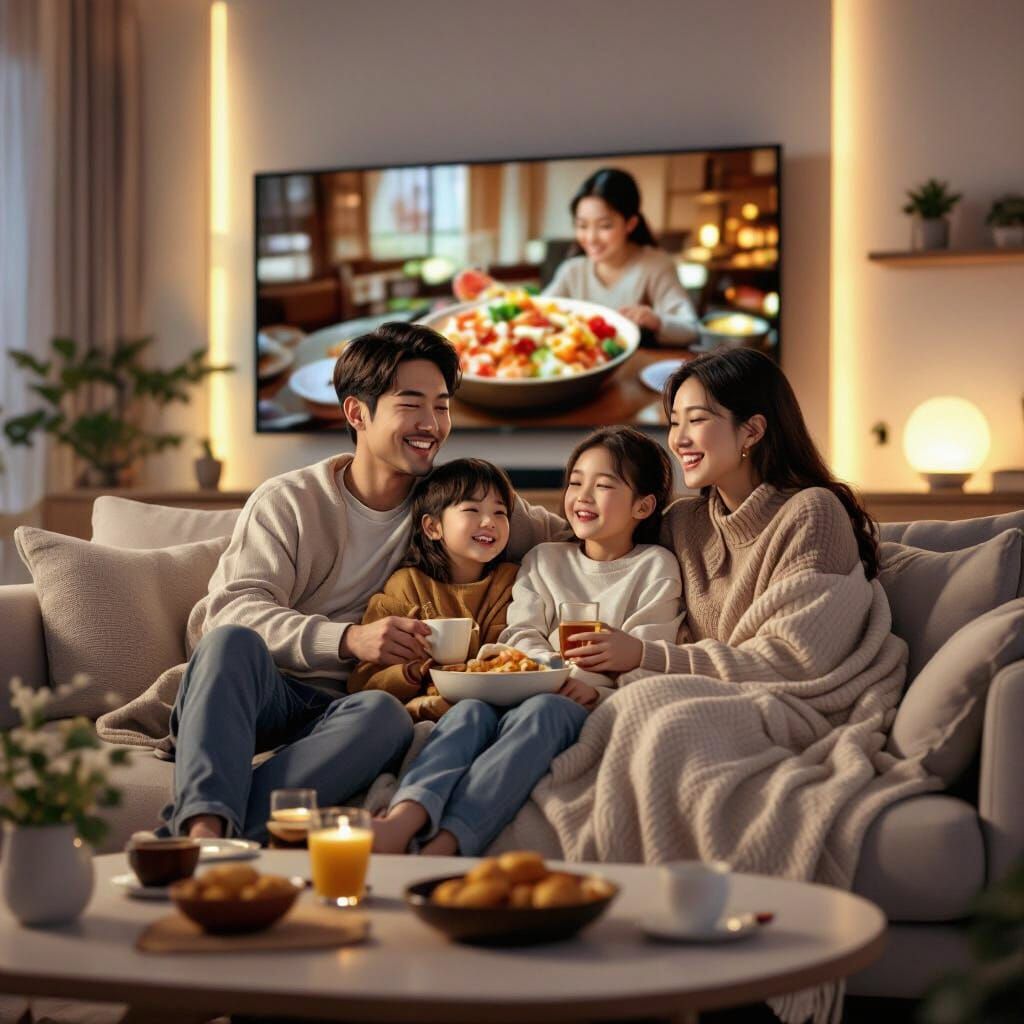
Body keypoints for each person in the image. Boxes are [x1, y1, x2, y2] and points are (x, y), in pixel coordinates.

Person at [160, 322, 567, 842]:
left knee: (385, 715)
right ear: (357, 413)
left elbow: (579, 531)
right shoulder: (291, 501)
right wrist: (349, 640)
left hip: (345, 713)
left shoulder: (451, 504)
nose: (432, 424)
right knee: (230, 642)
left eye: (441, 406)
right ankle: (201, 828)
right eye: (411, 405)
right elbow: (229, 611)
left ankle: (223, 841)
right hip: (263, 692)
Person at [369, 426, 683, 857]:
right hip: (530, 685)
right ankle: (405, 816)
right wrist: (551, 673)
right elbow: (521, 634)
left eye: (604, 485)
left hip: (582, 700)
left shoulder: (655, 567)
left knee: (543, 712)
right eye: (575, 482)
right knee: (470, 713)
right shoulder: (545, 558)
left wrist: (587, 685)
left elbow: (648, 653)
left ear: (644, 505)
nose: (583, 496)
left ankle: (447, 842)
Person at [569, 348, 885, 682]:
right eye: (675, 422)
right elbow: (594, 535)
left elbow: (793, 657)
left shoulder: (812, 512)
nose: (679, 440)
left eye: (697, 419)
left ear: (752, 431)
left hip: (792, 699)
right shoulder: (683, 523)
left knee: (647, 702)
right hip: (708, 692)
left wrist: (643, 654)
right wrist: (506, 515)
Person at [346, 457, 520, 723]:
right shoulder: (406, 585)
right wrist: (410, 672)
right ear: (432, 527)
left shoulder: (511, 582)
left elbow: (510, 657)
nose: (489, 522)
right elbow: (364, 681)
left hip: (489, 708)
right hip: (419, 710)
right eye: (472, 510)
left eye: (500, 512)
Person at [543, 167, 699, 346]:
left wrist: (656, 321)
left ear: (630, 224)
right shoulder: (572, 270)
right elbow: (540, 312)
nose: (591, 238)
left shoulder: (656, 265)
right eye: (582, 226)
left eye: (605, 226)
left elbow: (691, 330)